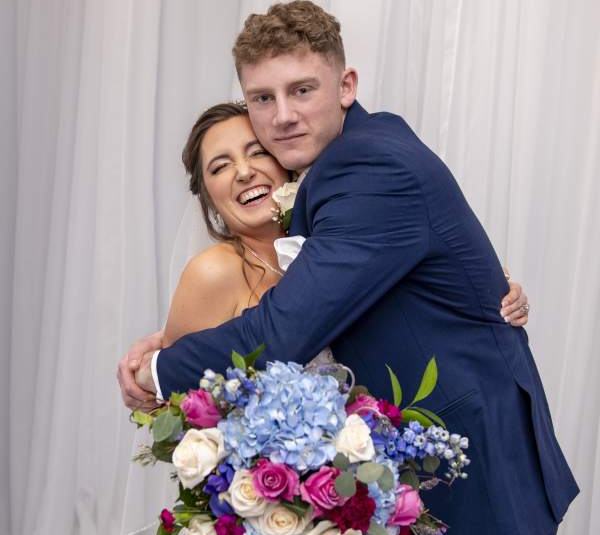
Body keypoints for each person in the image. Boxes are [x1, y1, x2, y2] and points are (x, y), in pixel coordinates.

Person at [118, 1, 577, 535]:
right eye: (263, 98)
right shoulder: (343, 163)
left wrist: (156, 370)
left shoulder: (367, 167)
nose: (282, 116)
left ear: (346, 86)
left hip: (470, 469)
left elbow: (284, 328)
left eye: (302, 90)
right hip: (372, 483)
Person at [159, 101, 528, 353]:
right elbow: (177, 405)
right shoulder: (213, 273)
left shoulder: (343, 240)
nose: (243, 172)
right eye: (220, 166)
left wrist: (487, 290)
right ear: (208, 196)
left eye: (257, 152)